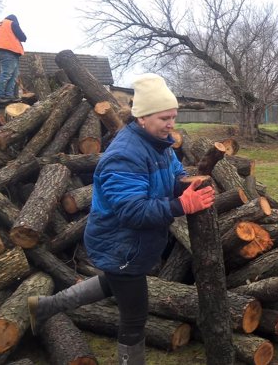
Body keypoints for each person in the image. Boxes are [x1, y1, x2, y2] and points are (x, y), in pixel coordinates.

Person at [27, 73, 215, 365]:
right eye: (164, 117)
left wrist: (183, 182)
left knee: (112, 282)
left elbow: (174, 169)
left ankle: (43, 307)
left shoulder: (160, 143)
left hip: (131, 245)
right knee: (134, 316)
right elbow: (132, 211)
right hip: (120, 243)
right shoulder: (125, 156)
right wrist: (181, 205)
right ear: (141, 118)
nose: (171, 124)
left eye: (173, 116)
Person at [0, 14, 27, 104]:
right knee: (6, 73)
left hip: (2, 52)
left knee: (13, 75)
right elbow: (23, 37)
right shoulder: (12, 23)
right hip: (9, 51)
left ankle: (9, 95)